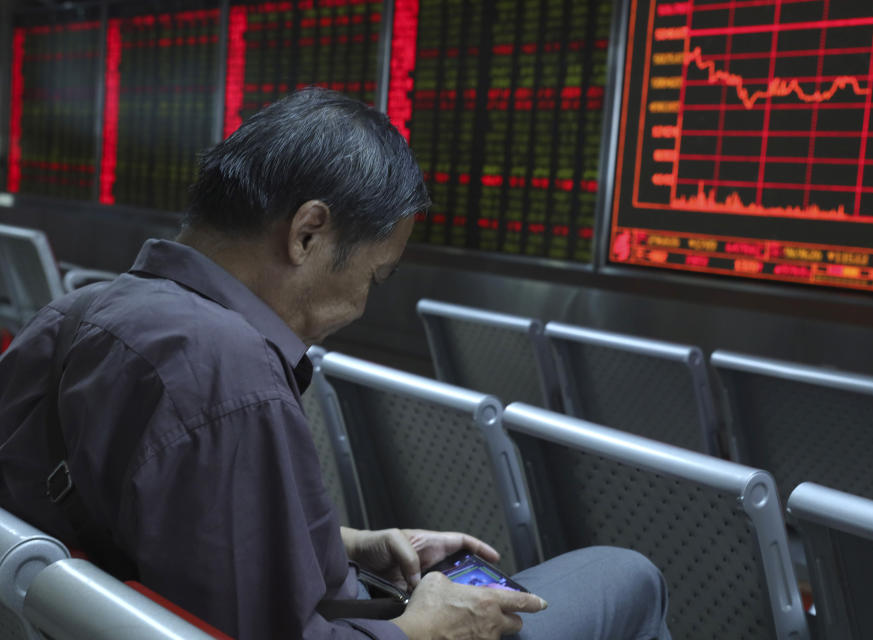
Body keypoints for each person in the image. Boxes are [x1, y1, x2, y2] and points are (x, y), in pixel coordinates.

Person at [0, 88, 671, 639]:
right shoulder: (231, 377)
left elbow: (148, 519)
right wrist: (426, 628)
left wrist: (342, 543)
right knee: (626, 575)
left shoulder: (79, 313)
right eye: (374, 278)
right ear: (307, 233)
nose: (358, 307)